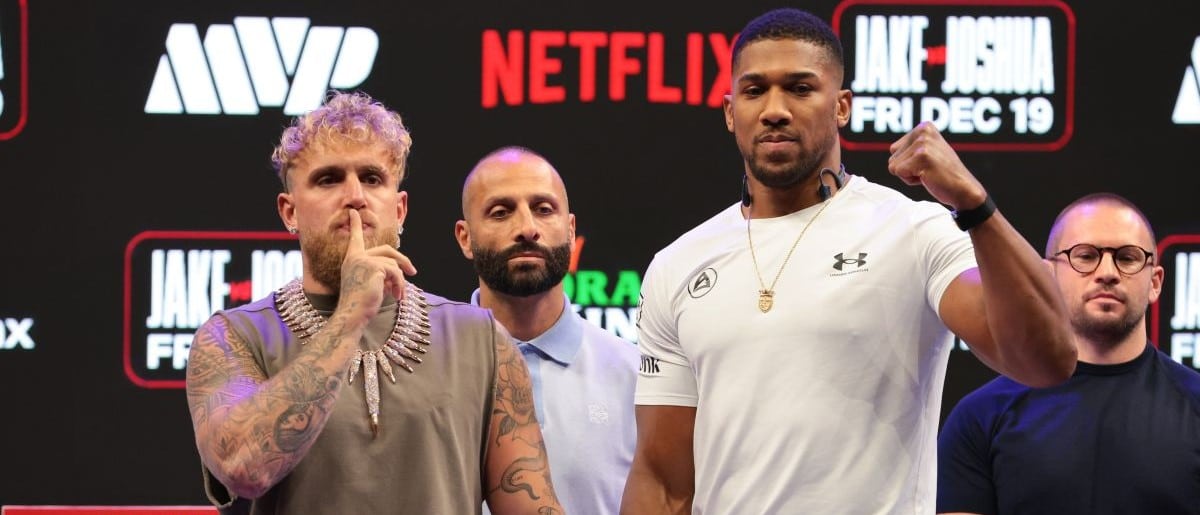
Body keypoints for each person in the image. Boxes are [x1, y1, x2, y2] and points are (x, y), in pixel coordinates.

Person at [621, 8, 1077, 514]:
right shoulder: (678, 263)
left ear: (841, 107)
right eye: (755, 91)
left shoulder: (911, 230)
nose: (774, 109)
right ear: (731, 112)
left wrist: (973, 203)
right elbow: (663, 481)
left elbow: (1047, 359)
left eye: (799, 88)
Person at [184, 92, 563, 514]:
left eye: (372, 178)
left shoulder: (481, 340)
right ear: (289, 212)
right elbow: (243, 468)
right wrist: (351, 314)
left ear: (399, 209)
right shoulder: (231, 337)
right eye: (328, 179)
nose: (355, 197)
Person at [937, 193, 1200, 515]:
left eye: (1128, 258)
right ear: (1048, 276)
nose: (1107, 272)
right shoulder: (982, 416)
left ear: (1155, 282)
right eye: (1085, 256)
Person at [455, 146, 639, 515]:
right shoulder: (426, 368)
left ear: (570, 230)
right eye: (500, 212)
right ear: (465, 237)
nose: (526, 229)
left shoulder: (635, 376)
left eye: (543, 209)